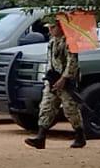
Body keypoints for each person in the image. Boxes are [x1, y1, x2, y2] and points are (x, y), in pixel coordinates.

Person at [25, 13, 85, 149]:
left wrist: (64, 78)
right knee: (46, 106)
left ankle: (80, 135)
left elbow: (72, 63)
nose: (50, 31)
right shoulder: (52, 42)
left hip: (66, 81)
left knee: (71, 109)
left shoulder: (69, 42)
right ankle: (41, 137)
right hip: (53, 79)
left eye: (53, 28)